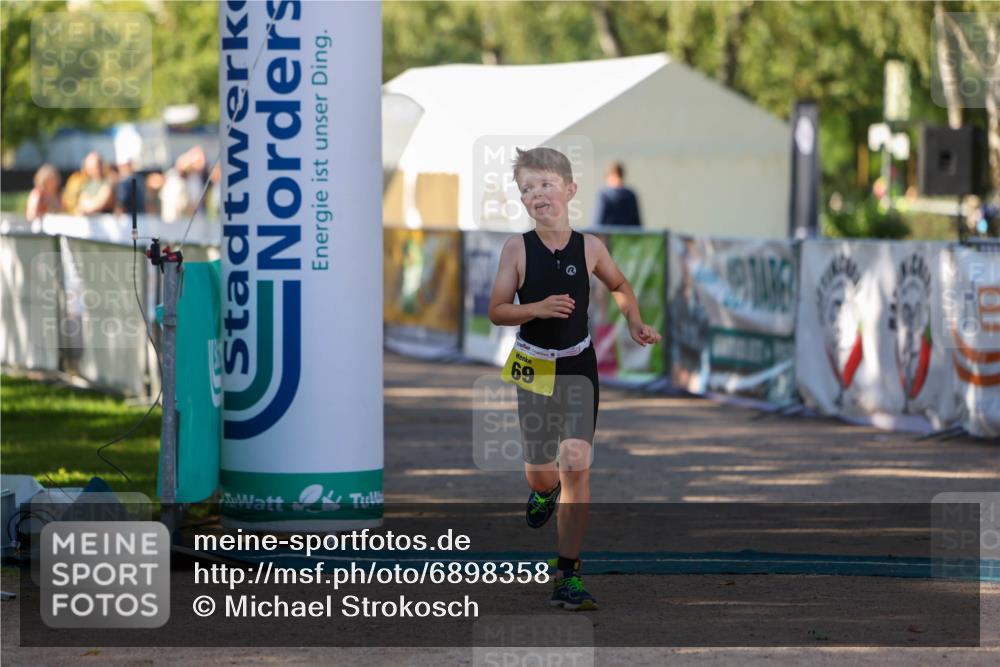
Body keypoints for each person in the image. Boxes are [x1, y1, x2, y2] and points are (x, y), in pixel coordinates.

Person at [488, 147, 661, 611]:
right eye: (527, 188)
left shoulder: (591, 247)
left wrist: (634, 322)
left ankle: (568, 575)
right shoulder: (516, 249)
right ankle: (544, 492)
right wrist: (536, 309)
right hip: (532, 364)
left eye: (545, 183)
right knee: (542, 473)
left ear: (569, 189)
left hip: (578, 364)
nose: (537, 193)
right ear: (522, 200)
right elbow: (497, 309)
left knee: (577, 464)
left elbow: (621, 286)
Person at [593, 161, 641, 227]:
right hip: (627, 236)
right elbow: (638, 225)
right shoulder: (631, 194)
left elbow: (598, 224)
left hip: (608, 236)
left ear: (608, 177)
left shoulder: (604, 195)